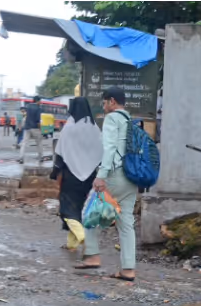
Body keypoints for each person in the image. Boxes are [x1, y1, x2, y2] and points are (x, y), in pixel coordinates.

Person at [91, 86, 139, 282]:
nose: (103, 106)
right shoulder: (131, 121)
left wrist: (101, 175)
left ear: (111, 101)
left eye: (104, 102)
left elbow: (109, 148)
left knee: (92, 215)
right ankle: (128, 270)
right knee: (126, 224)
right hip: (132, 177)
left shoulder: (112, 119)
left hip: (116, 175)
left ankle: (91, 256)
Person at [51, 97, 102, 262]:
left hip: (71, 175)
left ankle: (82, 236)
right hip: (89, 176)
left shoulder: (70, 127)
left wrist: (54, 172)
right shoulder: (94, 128)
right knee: (79, 208)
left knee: (66, 208)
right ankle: (71, 245)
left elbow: (60, 153)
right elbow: (101, 152)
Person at [21, 95, 45, 166]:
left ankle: (21, 158)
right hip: (35, 128)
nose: (41, 102)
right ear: (37, 101)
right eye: (40, 101)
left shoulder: (28, 106)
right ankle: (41, 157)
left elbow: (23, 112)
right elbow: (38, 121)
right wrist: (41, 129)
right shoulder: (38, 108)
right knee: (39, 143)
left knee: (24, 143)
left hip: (27, 127)